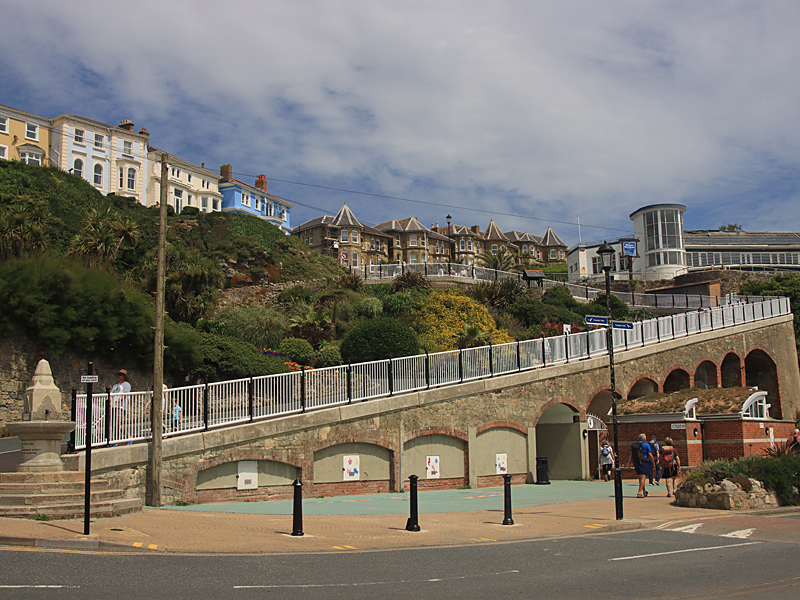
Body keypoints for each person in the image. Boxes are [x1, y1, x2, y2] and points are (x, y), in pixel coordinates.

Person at [630, 433, 655, 498]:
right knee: (643, 477)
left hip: (636, 462)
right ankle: (639, 493)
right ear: (644, 439)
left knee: (640, 478)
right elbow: (650, 454)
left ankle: (644, 491)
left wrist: (629, 463)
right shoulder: (646, 445)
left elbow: (631, 454)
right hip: (644, 462)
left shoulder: (634, 445)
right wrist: (653, 463)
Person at [110, 369, 131, 441]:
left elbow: (124, 395)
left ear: (124, 376)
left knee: (118, 424)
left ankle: (128, 437)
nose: (118, 376)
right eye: (118, 375)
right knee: (113, 424)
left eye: (120, 375)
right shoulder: (115, 385)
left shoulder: (126, 385)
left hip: (121, 406)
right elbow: (111, 394)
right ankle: (116, 440)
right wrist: (110, 401)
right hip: (114, 407)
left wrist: (116, 402)